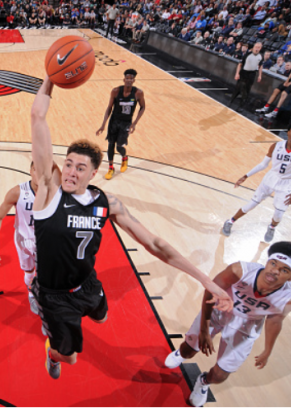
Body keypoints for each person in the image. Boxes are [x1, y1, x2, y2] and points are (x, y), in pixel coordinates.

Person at [30, 76, 233, 380]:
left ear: (94, 172)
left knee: (103, 317)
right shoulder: (49, 192)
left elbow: (157, 245)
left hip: (87, 284)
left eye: (80, 167)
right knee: (69, 358)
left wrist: (209, 282)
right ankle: (53, 352)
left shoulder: (106, 203)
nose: (71, 172)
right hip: (55, 295)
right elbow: (37, 117)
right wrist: (52, 75)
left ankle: (81, 316)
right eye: (68, 164)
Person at [164, 241, 291, 407]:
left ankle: (203, 382)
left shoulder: (289, 297)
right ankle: (181, 354)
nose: (274, 271)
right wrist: (204, 329)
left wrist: (267, 350)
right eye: (273, 263)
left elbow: (275, 319)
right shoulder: (239, 270)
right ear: (267, 262)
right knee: (188, 351)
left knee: (220, 375)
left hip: (246, 326)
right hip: (218, 310)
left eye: (284, 270)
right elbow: (211, 291)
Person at [0, 161, 59, 315]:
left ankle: (45, 294)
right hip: (24, 240)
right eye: (36, 170)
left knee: (46, 273)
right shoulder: (17, 192)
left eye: (43, 171)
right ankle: (31, 294)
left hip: (46, 241)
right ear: (30, 171)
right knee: (29, 272)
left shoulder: (54, 192)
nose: (39, 174)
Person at [222, 125, 291, 242]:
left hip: (288, 183)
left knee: (279, 214)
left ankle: (271, 227)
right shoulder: (276, 146)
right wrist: (246, 176)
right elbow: (263, 164)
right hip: (271, 178)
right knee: (252, 204)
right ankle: (230, 221)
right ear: (288, 132)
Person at [96, 69, 146, 180]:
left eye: (131, 78)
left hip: (126, 123)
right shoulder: (115, 91)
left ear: (134, 80)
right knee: (110, 144)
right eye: (127, 78)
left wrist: (134, 123)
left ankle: (124, 158)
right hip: (114, 121)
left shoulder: (138, 93)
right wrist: (103, 124)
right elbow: (109, 107)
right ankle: (111, 168)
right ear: (124, 79)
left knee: (119, 147)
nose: (129, 80)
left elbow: (143, 107)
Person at [229, 42, 263, 112]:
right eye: (256, 46)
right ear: (253, 47)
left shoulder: (260, 56)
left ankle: (241, 105)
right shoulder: (247, 54)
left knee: (247, 89)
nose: (257, 48)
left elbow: (260, 66)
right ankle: (231, 101)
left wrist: (260, 75)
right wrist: (237, 73)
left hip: (252, 73)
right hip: (244, 72)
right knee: (239, 87)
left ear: (260, 48)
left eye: (259, 47)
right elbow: (240, 64)